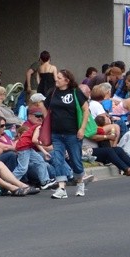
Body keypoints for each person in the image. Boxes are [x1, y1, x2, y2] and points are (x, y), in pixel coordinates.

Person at [44, 69, 92, 199]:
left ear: (67, 80)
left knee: (76, 161)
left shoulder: (76, 93)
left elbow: (86, 110)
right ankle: (61, 188)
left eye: (59, 78)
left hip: (72, 133)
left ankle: (80, 183)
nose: (56, 80)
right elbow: (46, 106)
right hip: (56, 133)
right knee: (58, 160)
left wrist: (82, 129)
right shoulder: (53, 92)